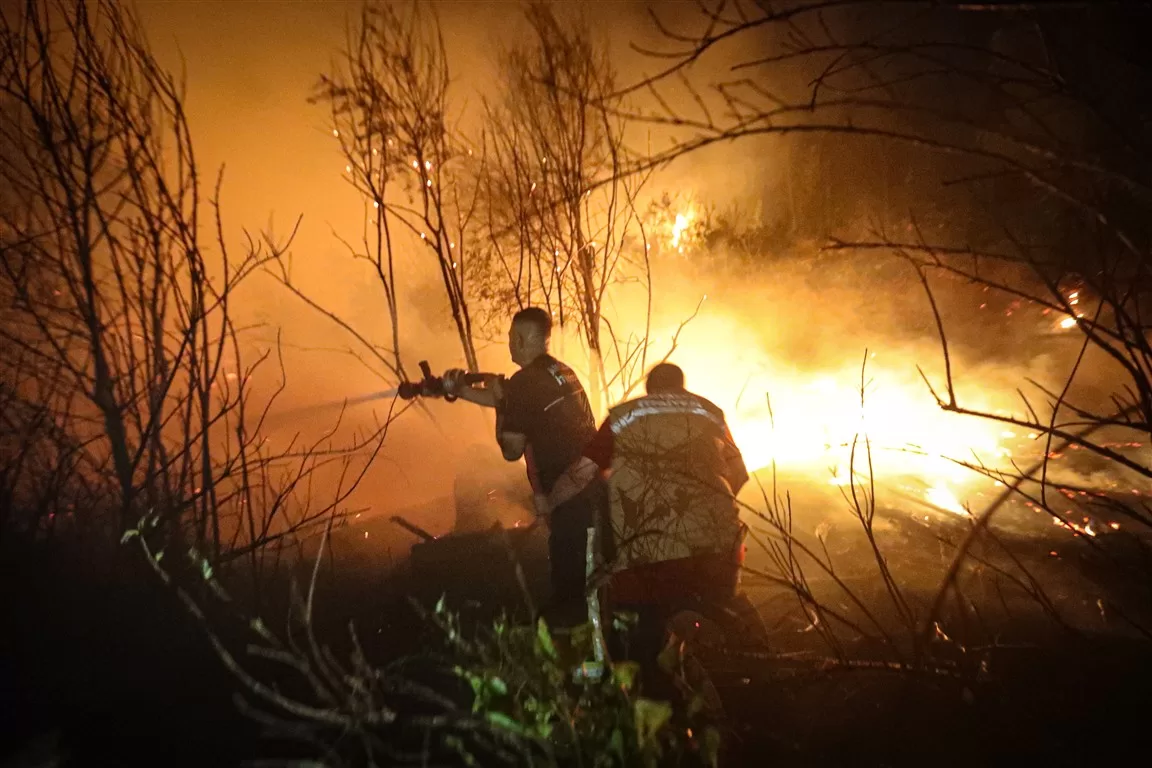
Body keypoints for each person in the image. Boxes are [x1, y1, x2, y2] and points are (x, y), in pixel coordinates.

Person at [582, 362, 751, 667]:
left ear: (650, 390)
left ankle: (635, 683)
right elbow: (739, 473)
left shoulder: (622, 418)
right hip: (715, 544)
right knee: (725, 611)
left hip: (644, 551)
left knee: (637, 632)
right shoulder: (711, 413)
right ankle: (743, 673)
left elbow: (585, 473)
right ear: (683, 387)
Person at [442, 307, 602, 626]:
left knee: (572, 596)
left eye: (512, 338)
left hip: (570, 500)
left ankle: (585, 668)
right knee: (593, 584)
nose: (509, 344)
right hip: (594, 490)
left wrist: (501, 413)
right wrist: (459, 390)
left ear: (521, 339)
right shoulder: (560, 371)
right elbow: (511, 399)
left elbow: (510, 450)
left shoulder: (525, 382)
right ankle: (595, 657)